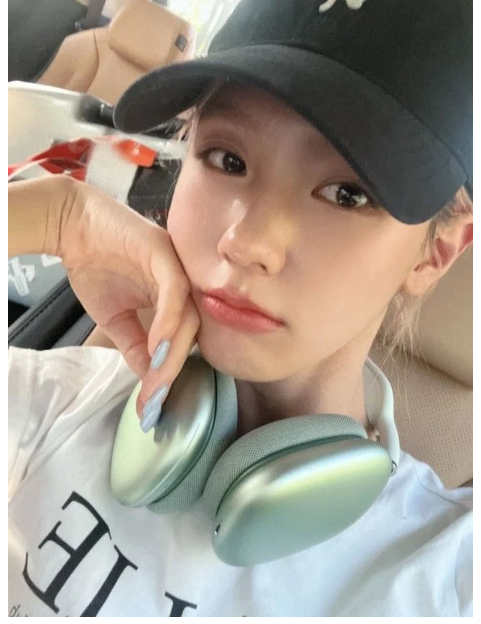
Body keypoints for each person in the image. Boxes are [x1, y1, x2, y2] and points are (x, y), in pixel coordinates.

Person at [8, 0, 473, 616]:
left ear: (435, 254)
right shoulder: (57, 403)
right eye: (228, 160)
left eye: (346, 193)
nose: (246, 241)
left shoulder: (445, 573)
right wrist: (56, 215)